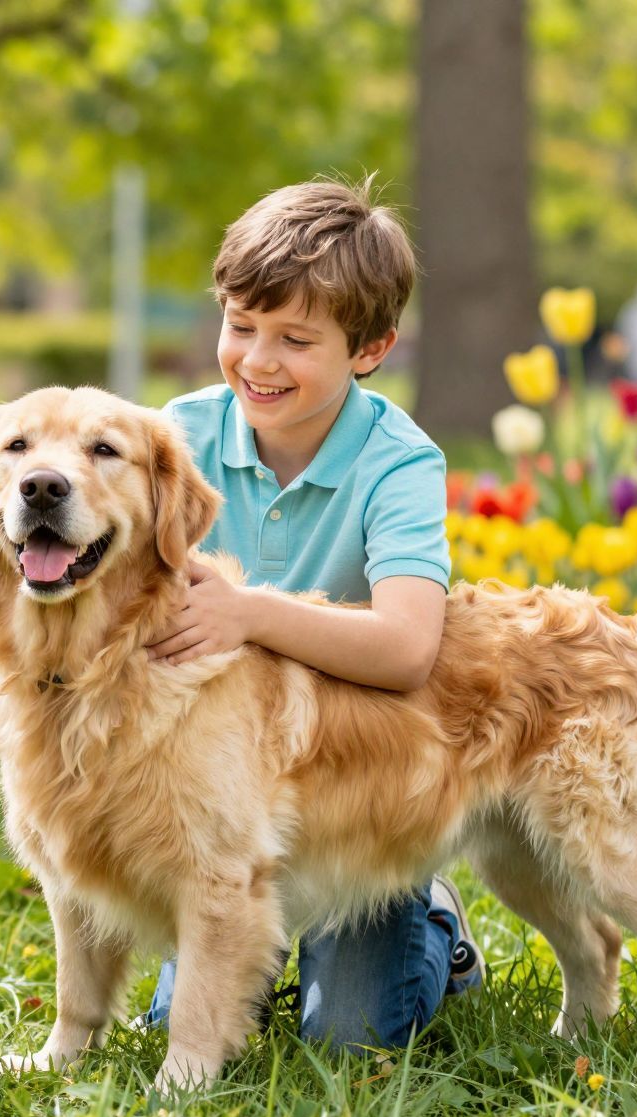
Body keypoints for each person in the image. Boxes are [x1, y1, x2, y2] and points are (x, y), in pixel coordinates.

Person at [140, 176, 482, 1053]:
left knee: (350, 1036)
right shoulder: (173, 436)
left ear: (370, 349)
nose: (257, 361)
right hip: (216, 796)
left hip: (352, 799)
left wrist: (250, 613)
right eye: (240, 326)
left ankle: (435, 924)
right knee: (181, 1020)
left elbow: (408, 648)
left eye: (295, 340)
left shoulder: (400, 461)